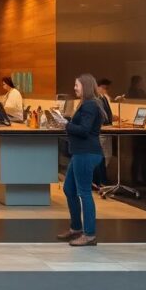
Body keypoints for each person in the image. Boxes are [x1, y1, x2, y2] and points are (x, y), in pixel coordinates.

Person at [56, 74, 106, 247]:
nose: (74, 88)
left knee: (84, 192)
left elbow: (84, 130)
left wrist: (65, 124)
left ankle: (89, 234)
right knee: (69, 189)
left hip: (86, 153)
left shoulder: (90, 105)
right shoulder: (87, 104)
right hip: (80, 153)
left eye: (77, 85)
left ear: (85, 86)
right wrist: (68, 123)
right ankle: (76, 228)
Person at [93, 78, 115, 188]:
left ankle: (101, 178)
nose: (106, 90)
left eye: (107, 88)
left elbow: (106, 113)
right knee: (101, 157)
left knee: (107, 156)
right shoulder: (95, 99)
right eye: (104, 88)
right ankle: (100, 180)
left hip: (107, 129)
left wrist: (112, 118)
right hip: (100, 131)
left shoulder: (104, 98)